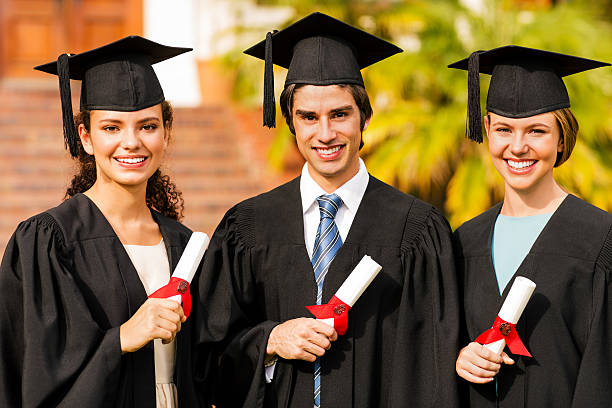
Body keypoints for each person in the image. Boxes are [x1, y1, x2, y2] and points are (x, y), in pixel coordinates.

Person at [196, 12, 460, 408]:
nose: (325, 134)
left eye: (340, 114)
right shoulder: (248, 227)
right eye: (309, 117)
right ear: (291, 122)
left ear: (364, 118)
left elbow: (435, 371)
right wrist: (270, 341)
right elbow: (207, 358)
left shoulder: (417, 230)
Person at [0, 36, 211, 407]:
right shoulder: (48, 242)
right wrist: (122, 338)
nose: (131, 142)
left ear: (166, 133)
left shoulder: (183, 243)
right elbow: (31, 369)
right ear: (85, 137)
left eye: (147, 126)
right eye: (111, 128)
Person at [449, 46, 612, 406]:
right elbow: (436, 346)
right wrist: (460, 359)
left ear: (561, 137)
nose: (518, 147)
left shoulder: (600, 239)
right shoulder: (464, 241)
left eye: (537, 131)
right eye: (505, 129)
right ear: (487, 128)